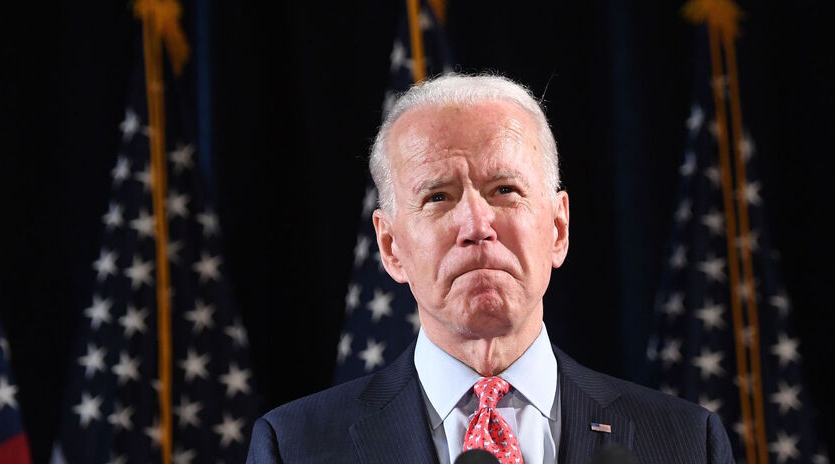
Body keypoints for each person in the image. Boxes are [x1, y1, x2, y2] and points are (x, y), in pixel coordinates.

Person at [247, 73, 731, 463]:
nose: (477, 224)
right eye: (438, 197)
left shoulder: (687, 443)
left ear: (558, 229)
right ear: (391, 248)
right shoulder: (295, 447)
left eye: (505, 190)